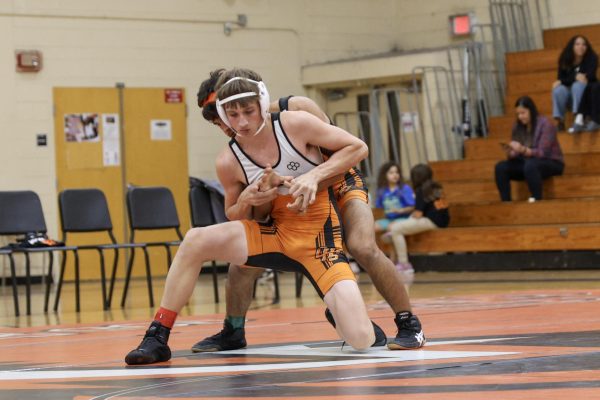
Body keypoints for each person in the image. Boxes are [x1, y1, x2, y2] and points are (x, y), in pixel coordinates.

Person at [125, 68, 385, 365]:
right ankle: (158, 334)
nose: (241, 122)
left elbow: (355, 147)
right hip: (274, 234)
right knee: (196, 239)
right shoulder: (228, 159)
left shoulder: (296, 118)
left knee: (361, 339)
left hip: (319, 240)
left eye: (248, 111)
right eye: (231, 115)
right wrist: (249, 198)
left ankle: (357, 313)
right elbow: (234, 214)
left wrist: (313, 177)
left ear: (262, 104)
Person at [193, 69, 426, 353]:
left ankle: (409, 323)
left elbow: (345, 152)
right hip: (297, 196)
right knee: (243, 261)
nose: (231, 126)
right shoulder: (239, 142)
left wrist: (315, 178)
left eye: (229, 117)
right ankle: (233, 330)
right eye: (223, 122)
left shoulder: (297, 109)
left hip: (337, 182)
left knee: (361, 245)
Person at [495, 96, 564, 202]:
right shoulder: (517, 126)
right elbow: (517, 155)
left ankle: (536, 198)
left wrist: (522, 150)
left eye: (523, 113)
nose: (520, 117)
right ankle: (506, 202)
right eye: (518, 114)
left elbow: (542, 153)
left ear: (531, 110)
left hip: (551, 161)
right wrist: (510, 152)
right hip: (528, 163)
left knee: (531, 165)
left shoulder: (545, 124)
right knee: (500, 167)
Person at [388, 164, 449, 273]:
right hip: (443, 221)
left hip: (432, 221)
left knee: (396, 229)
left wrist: (404, 222)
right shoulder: (436, 187)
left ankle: (404, 264)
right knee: (399, 227)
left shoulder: (422, 190)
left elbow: (418, 214)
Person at [552, 35, 598, 132]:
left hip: (586, 96)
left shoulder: (592, 58)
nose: (581, 47)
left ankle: (579, 118)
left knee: (578, 86)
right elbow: (560, 79)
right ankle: (560, 121)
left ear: (587, 47)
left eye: (584, 44)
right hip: (568, 96)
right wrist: (575, 77)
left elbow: (590, 77)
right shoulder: (564, 58)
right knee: (558, 89)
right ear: (572, 46)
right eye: (577, 44)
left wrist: (570, 79)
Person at [374, 161, 415, 233]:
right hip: (389, 220)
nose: (395, 175)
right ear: (384, 175)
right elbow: (379, 206)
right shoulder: (382, 190)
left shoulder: (405, 188)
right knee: (372, 227)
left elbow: (413, 207)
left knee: (392, 227)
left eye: (397, 172)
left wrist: (401, 210)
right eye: (391, 173)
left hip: (405, 219)